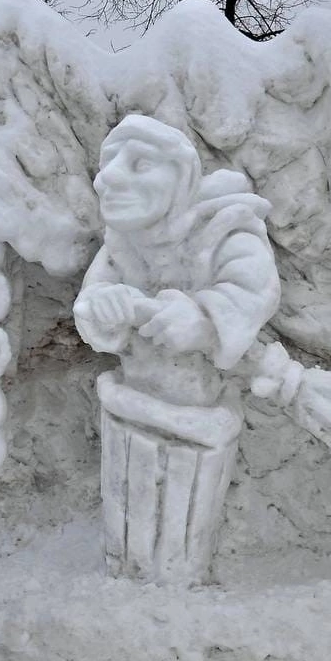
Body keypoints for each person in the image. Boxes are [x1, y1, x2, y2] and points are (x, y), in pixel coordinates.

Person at [73, 115, 280, 584]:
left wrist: (204, 318)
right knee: (129, 517)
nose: (107, 178)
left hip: (198, 417)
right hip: (131, 407)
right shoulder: (121, 245)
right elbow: (90, 302)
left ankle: (179, 584)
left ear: (182, 175)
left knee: (181, 527)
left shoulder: (224, 226)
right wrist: (102, 309)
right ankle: (128, 579)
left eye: (140, 163)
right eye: (108, 165)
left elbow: (255, 291)